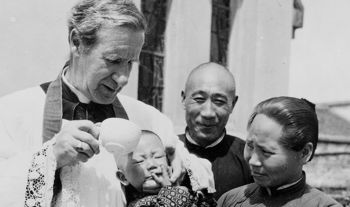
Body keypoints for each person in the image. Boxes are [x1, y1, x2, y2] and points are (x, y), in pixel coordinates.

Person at [0, 0, 213, 206]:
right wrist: (51, 157)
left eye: (130, 63)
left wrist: (182, 165)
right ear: (77, 42)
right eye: (114, 60)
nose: (124, 78)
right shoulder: (14, 112)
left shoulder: (146, 117)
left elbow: (203, 174)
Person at [217, 97, 342, 207]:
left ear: (304, 153)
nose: (253, 161)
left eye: (266, 152)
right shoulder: (230, 201)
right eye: (250, 146)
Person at [178, 62, 253, 200]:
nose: (208, 113)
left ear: (233, 104)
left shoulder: (249, 157)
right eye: (199, 99)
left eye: (219, 101)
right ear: (184, 99)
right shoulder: (161, 152)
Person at [116, 130, 216, 207]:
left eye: (158, 156)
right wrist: (170, 189)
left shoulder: (185, 186)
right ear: (123, 177)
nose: (152, 164)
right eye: (139, 161)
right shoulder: (139, 204)